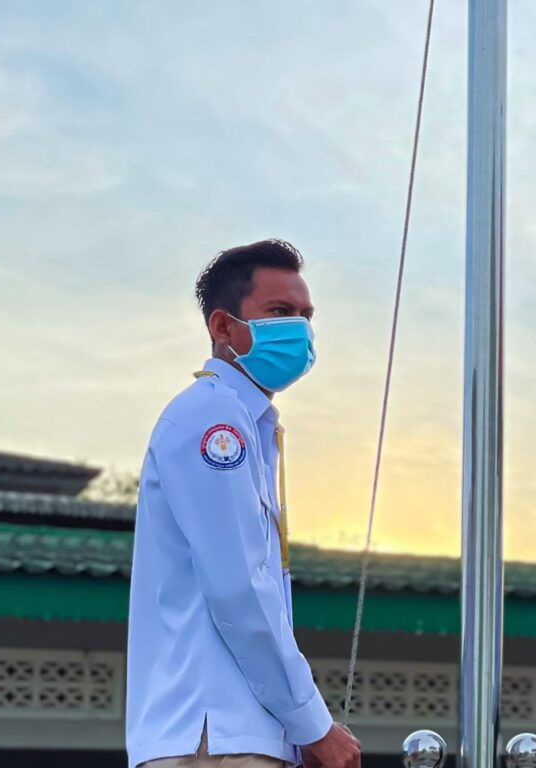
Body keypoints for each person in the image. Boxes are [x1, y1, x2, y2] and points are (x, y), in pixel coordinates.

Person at [126, 240, 362, 768]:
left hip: (226, 734)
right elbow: (239, 588)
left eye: (306, 316)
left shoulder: (245, 422)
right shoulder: (216, 421)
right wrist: (313, 725)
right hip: (214, 734)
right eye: (279, 312)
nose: (298, 329)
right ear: (223, 327)